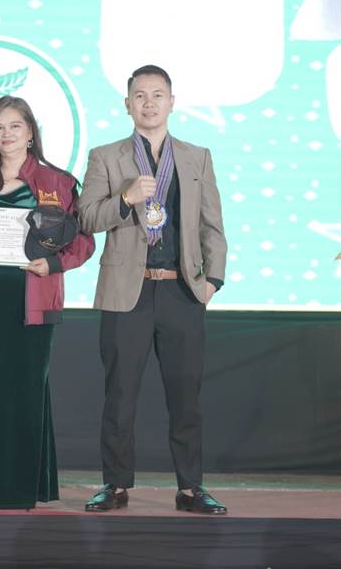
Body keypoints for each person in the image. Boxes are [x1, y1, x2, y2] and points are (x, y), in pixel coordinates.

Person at [77, 65, 228, 514]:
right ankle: (115, 485)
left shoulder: (197, 156)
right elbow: (86, 218)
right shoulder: (106, 156)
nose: (149, 103)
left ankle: (191, 488)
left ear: (171, 102)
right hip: (128, 292)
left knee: (186, 396)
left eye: (157, 95)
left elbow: (212, 224)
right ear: (127, 104)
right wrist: (125, 199)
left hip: (182, 291)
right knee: (120, 396)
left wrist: (212, 281)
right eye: (140, 96)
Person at [0, 96, 94, 509]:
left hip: (33, 300)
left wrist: (53, 263)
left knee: (27, 392)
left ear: (30, 133)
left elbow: (83, 241)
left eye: (15, 126)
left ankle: (25, 487)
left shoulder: (58, 182)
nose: (6, 134)